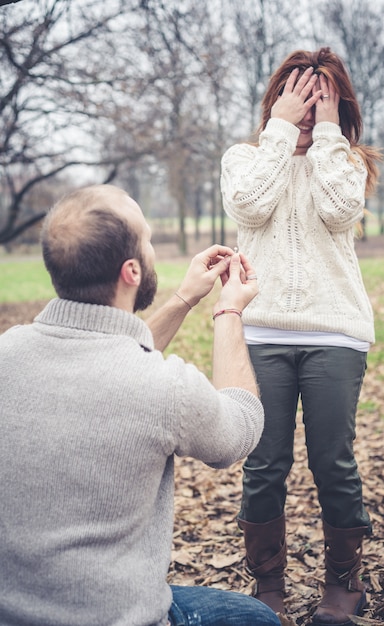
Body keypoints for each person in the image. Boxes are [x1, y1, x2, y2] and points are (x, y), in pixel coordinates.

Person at [0, 184, 283, 626]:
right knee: (257, 619)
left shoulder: (7, 353)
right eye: (149, 240)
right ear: (132, 271)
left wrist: (184, 298)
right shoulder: (165, 387)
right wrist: (229, 313)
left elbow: (113, 355)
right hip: (115, 615)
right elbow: (240, 428)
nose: (153, 250)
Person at [220, 47, 381, 625]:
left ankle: (344, 583)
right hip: (260, 330)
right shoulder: (246, 156)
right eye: (299, 95)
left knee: (332, 459)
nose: (310, 108)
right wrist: (280, 131)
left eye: (323, 97)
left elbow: (339, 212)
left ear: (339, 102)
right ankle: (268, 582)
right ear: (276, 98)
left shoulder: (347, 162)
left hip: (335, 332)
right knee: (264, 462)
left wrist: (332, 133)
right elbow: (248, 206)